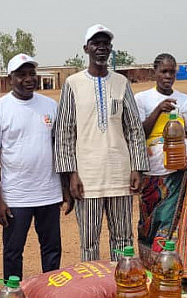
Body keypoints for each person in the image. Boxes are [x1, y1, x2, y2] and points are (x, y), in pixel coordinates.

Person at [53, 25, 149, 261]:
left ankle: (123, 290)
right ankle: (95, 294)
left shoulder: (121, 83)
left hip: (120, 175)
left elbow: (134, 128)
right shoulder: (73, 84)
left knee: (123, 240)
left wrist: (137, 167)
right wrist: (70, 174)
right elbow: (64, 132)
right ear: (86, 48)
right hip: (88, 178)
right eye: (96, 43)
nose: (101, 48)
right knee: (89, 242)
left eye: (105, 44)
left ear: (111, 49)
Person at [0, 54, 64, 280]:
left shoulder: (50, 105)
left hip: (48, 193)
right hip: (16, 196)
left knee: (51, 251)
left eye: (31, 74)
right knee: (12, 253)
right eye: (21, 75)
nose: (28, 79)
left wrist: (63, 189)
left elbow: (59, 148)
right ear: (10, 79)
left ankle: (51, 295)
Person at [134, 53, 187, 280]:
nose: (168, 76)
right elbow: (138, 133)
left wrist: (186, 152)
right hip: (150, 173)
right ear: (154, 72)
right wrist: (158, 110)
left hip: (175, 174)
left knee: (169, 225)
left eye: (172, 72)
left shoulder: (185, 101)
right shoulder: (142, 99)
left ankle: (166, 273)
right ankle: (148, 271)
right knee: (147, 225)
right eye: (163, 71)